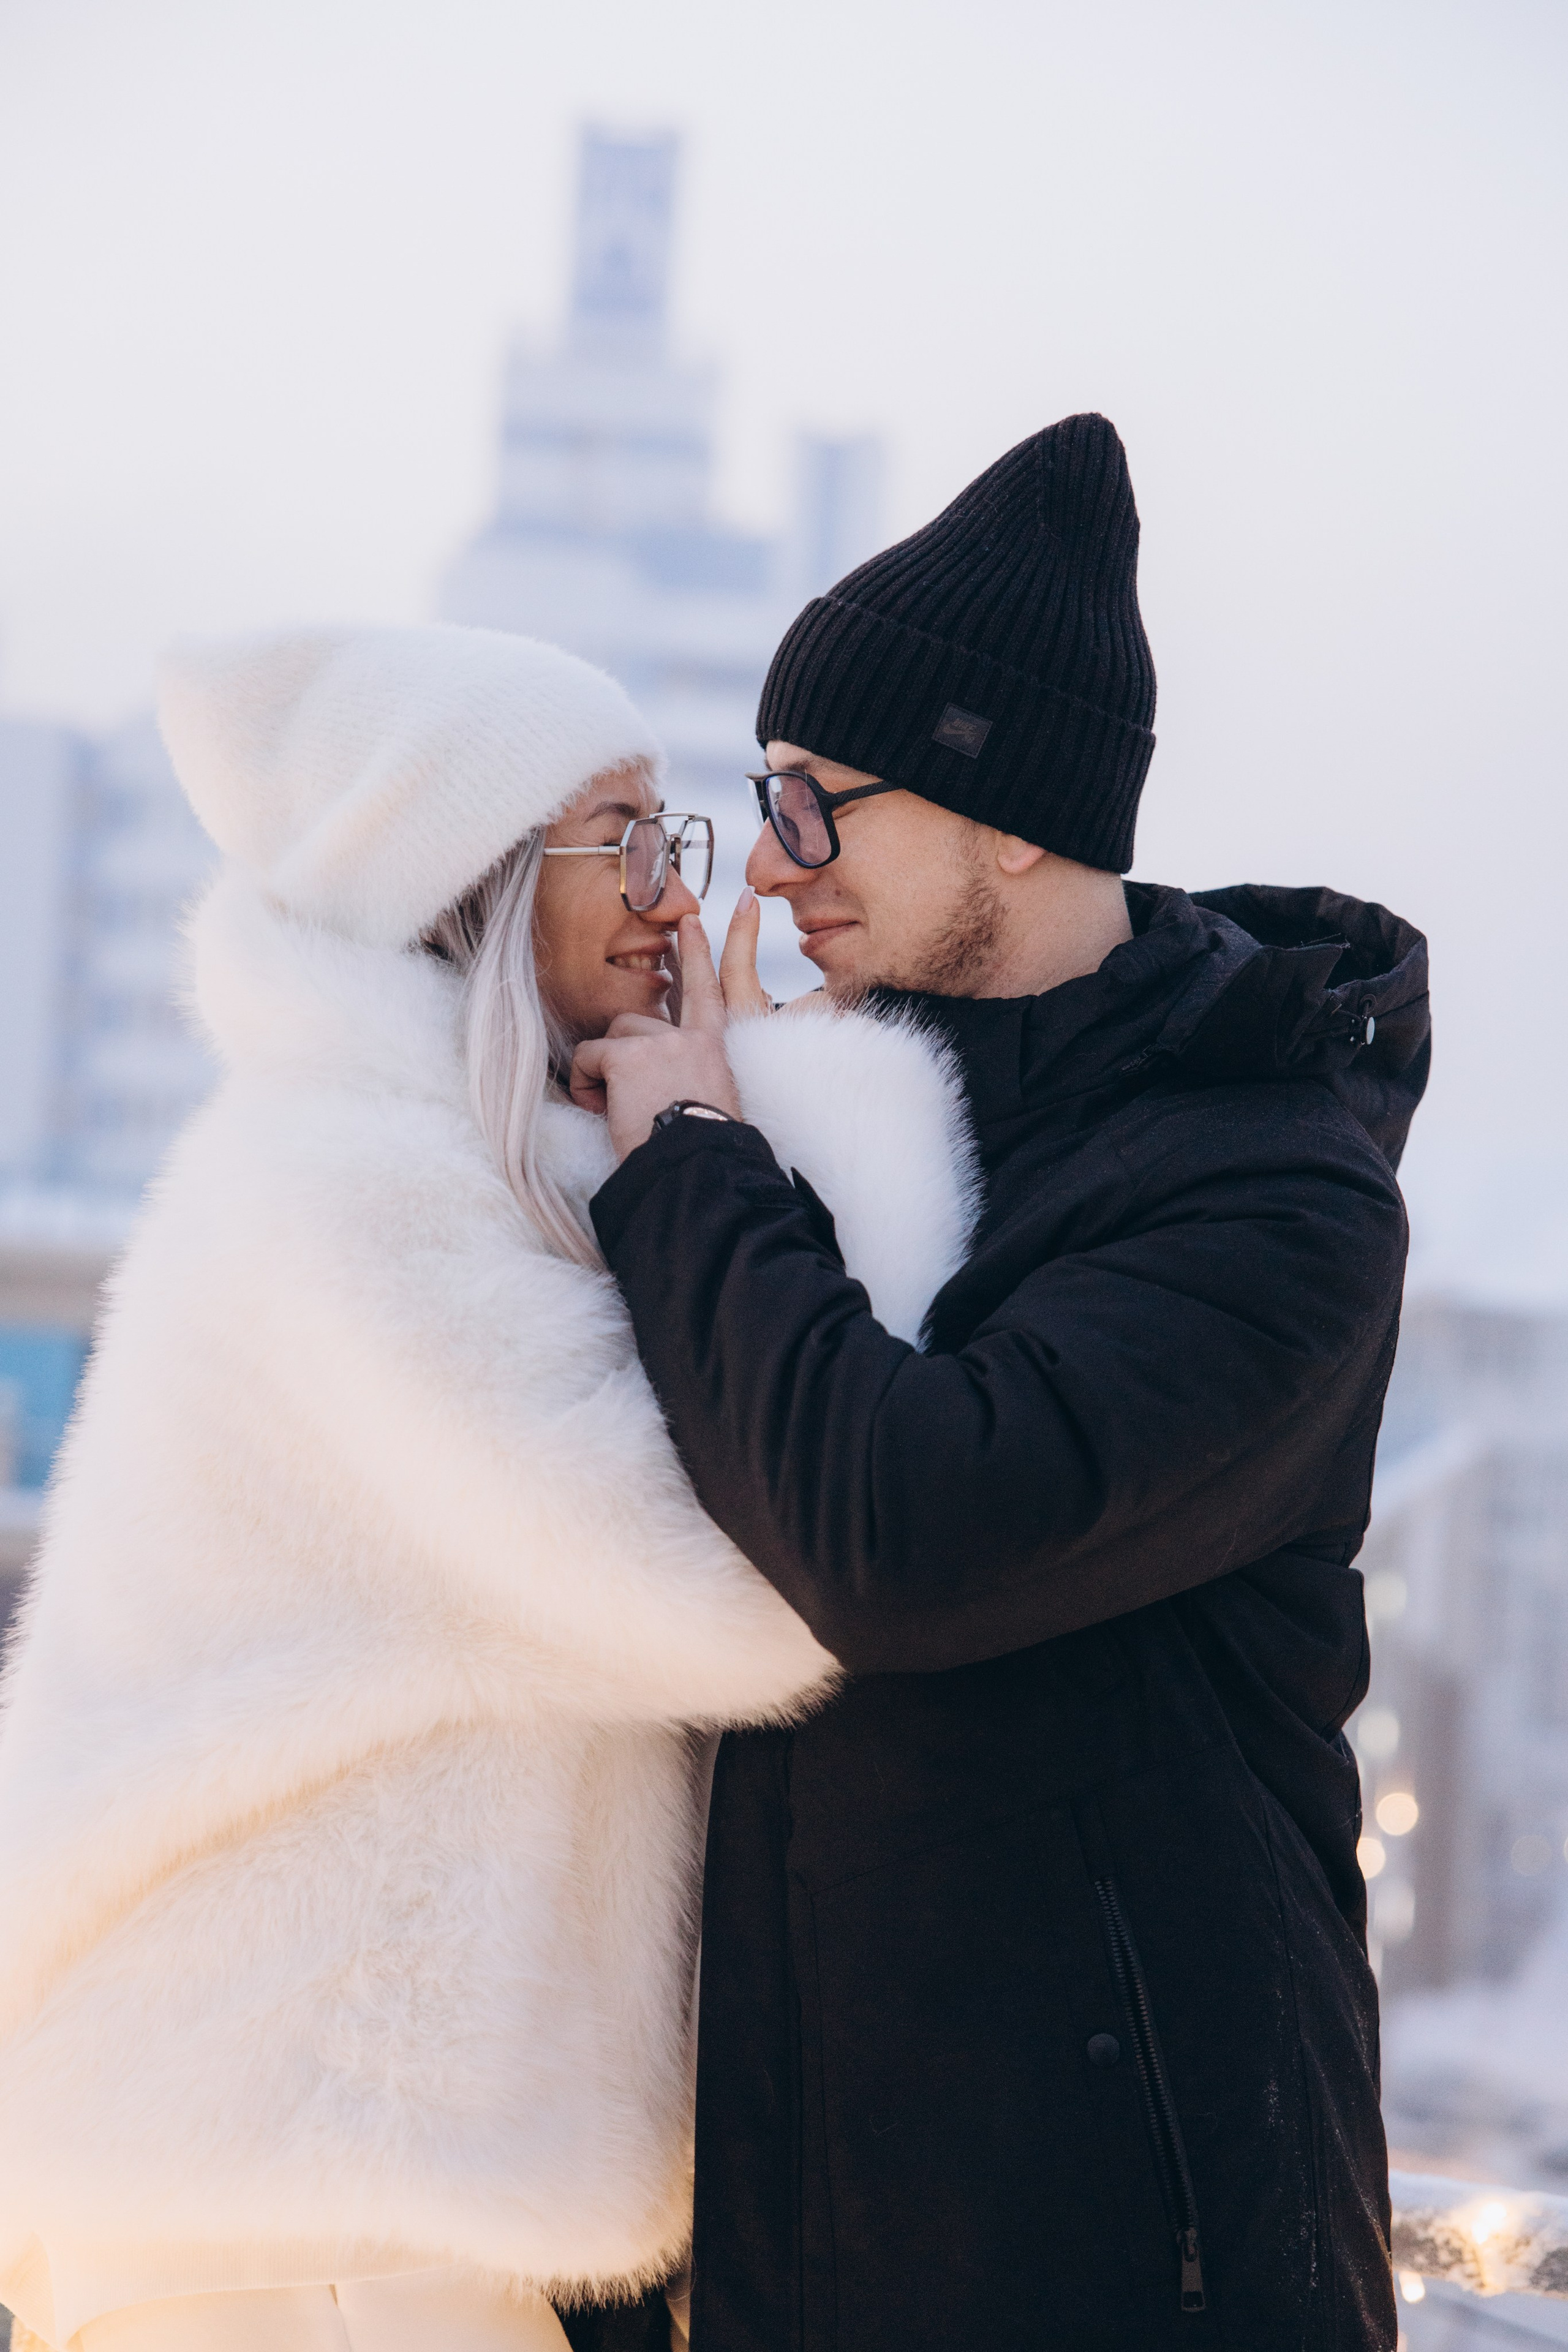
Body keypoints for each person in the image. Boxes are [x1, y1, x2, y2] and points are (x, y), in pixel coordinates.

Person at [0, 624, 982, 2352]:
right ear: (472, 876)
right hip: (282, 2173)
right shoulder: (345, 1190)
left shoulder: (453, 1172)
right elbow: (754, 1578)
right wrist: (773, 1105)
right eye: (622, 835)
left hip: (323, 2175)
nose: (674, 896)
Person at [571, 415, 1430, 2351]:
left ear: (1014, 812)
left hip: (1146, 2273)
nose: (773, 873)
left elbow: (902, 1535)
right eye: (758, 805)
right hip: (816, 2261)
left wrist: (700, 1157)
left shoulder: (1271, 1192)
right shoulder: (862, 1132)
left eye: (819, 805)